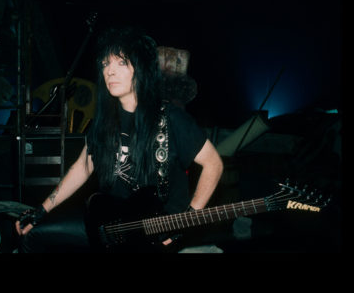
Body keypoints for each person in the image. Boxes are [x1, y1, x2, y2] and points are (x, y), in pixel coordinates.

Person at [15, 26, 224, 253]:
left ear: (141, 68)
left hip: (155, 233)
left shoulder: (171, 119)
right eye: (106, 64)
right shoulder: (104, 121)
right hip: (108, 225)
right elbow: (83, 166)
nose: (110, 71)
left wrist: (186, 221)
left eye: (121, 62)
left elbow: (213, 164)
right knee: (32, 235)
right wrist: (41, 210)